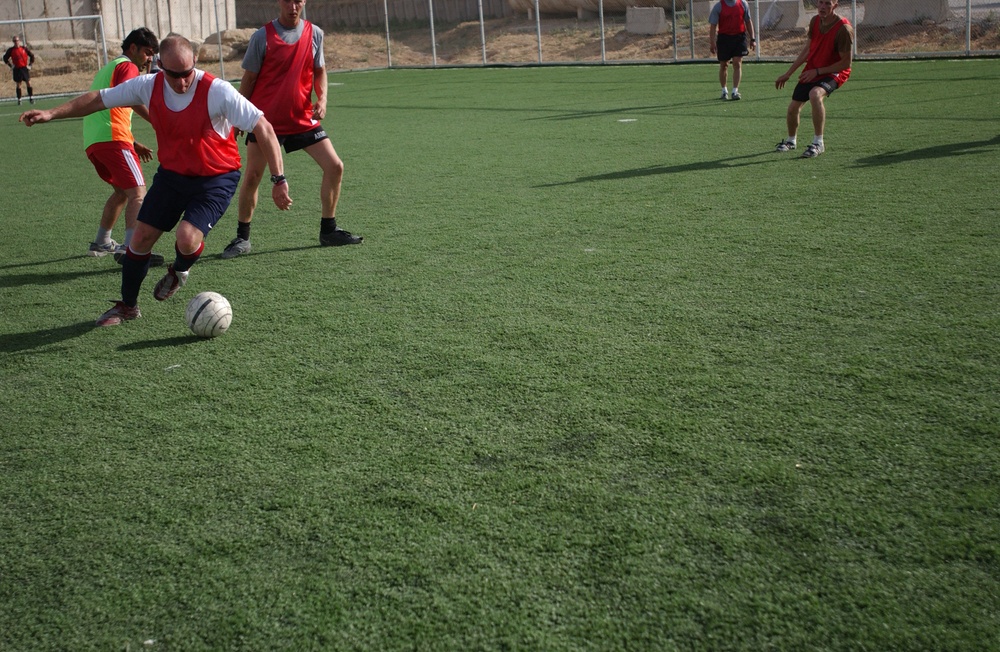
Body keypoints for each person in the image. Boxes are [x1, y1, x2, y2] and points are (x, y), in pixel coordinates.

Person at [21, 34, 293, 327]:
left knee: (187, 239)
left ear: (195, 63)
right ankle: (127, 306)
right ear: (160, 65)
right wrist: (51, 112)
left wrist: (279, 179)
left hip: (215, 178)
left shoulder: (217, 90)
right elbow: (99, 99)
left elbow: (263, 128)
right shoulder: (147, 86)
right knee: (139, 238)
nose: (181, 82)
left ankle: (178, 271)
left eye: (187, 73)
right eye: (173, 75)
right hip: (173, 176)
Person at [220, 0, 361, 259]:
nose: (293, 6)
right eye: (287, 0)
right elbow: (249, 79)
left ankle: (328, 230)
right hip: (265, 121)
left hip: (301, 118)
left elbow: (320, 71)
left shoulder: (315, 33)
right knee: (252, 176)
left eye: (297, 0)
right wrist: (240, 116)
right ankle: (242, 237)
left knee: (335, 166)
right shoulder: (262, 36)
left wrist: (323, 99)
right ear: (279, 2)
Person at [83, 27, 165, 266]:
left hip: (95, 140)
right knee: (138, 193)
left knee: (122, 192)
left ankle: (101, 242)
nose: (149, 59)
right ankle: (132, 250)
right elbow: (128, 96)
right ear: (133, 48)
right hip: (113, 138)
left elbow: (111, 104)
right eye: (147, 53)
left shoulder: (111, 66)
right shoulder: (127, 66)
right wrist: (157, 120)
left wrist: (134, 142)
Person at [774, 0, 854, 158]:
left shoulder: (843, 28)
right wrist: (788, 73)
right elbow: (807, 50)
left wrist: (818, 71)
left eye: (828, 4)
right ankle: (791, 141)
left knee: (815, 94)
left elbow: (846, 63)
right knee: (793, 108)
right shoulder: (815, 21)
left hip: (834, 71)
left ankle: (818, 143)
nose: (823, 7)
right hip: (813, 69)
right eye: (820, 3)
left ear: (835, 6)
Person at [708, 0, 755, 101]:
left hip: (739, 38)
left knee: (737, 63)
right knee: (724, 65)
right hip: (724, 39)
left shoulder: (743, 4)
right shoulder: (718, 6)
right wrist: (712, 42)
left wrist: (752, 39)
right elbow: (713, 26)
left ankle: (735, 91)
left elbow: (748, 21)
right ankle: (724, 90)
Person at [3, 36, 35, 105]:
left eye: (17, 40)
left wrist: (30, 65)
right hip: (17, 69)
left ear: (19, 41)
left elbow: (32, 56)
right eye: (14, 41)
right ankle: (19, 99)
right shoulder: (11, 50)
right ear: (13, 42)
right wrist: (11, 66)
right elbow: (5, 58)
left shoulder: (24, 48)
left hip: (24, 68)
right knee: (18, 84)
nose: (16, 42)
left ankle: (31, 97)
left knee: (28, 82)